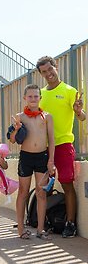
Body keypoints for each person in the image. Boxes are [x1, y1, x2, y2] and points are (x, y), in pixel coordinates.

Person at [37, 56, 86, 238]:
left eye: (51, 69)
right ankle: (45, 222)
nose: (49, 73)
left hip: (64, 145)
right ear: (40, 74)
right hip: (43, 147)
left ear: (56, 67)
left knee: (66, 185)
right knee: (44, 187)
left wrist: (78, 111)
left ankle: (70, 224)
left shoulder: (70, 91)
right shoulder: (40, 94)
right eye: (44, 71)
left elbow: (82, 117)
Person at [10, 84, 55, 240]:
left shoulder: (47, 117)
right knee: (23, 192)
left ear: (40, 98)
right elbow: (12, 140)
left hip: (42, 157)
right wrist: (16, 129)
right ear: (25, 98)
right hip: (26, 157)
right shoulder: (19, 117)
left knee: (41, 193)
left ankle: (40, 229)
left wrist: (51, 161)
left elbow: (52, 140)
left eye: (36, 96)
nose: (33, 99)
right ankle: (21, 229)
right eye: (30, 96)